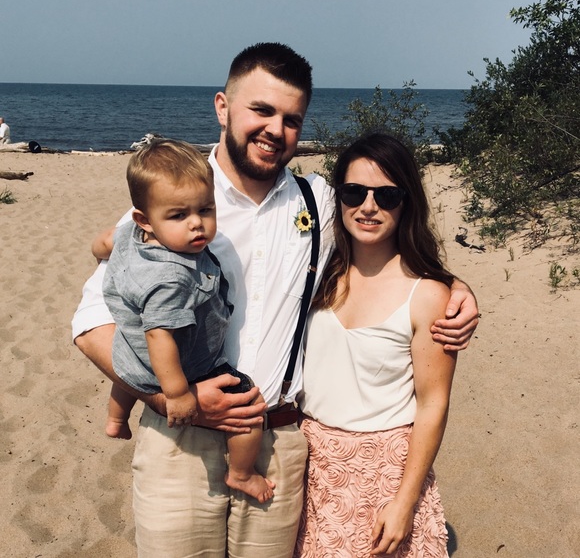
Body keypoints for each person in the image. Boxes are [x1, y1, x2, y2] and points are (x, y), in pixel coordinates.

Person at [72, 43, 479, 557]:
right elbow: (92, 323)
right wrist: (170, 399)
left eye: (291, 119)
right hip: (180, 442)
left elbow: (385, 237)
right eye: (261, 110)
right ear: (223, 107)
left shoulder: (321, 201)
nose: (274, 130)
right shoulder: (172, 204)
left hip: (279, 445)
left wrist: (456, 289)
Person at [295, 133, 459, 557]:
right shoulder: (316, 271)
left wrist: (404, 502)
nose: (368, 206)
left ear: (407, 202)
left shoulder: (426, 295)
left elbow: (433, 404)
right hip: (309, 463)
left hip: (386, 469)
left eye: (386, 195)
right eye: (354, 192)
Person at [92, 138, 274, 503]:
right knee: (250, 408)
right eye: (178, 216)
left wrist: (98, 253)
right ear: (144, 219)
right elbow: (159, 335)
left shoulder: (130, 233)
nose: (197, 225)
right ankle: (242, 474)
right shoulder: (172, 278)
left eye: (205, 210)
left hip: (130, 353)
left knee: (129, 370)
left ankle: (116, 420)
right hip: (182, 365)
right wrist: (177, 395)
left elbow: (104, 242)